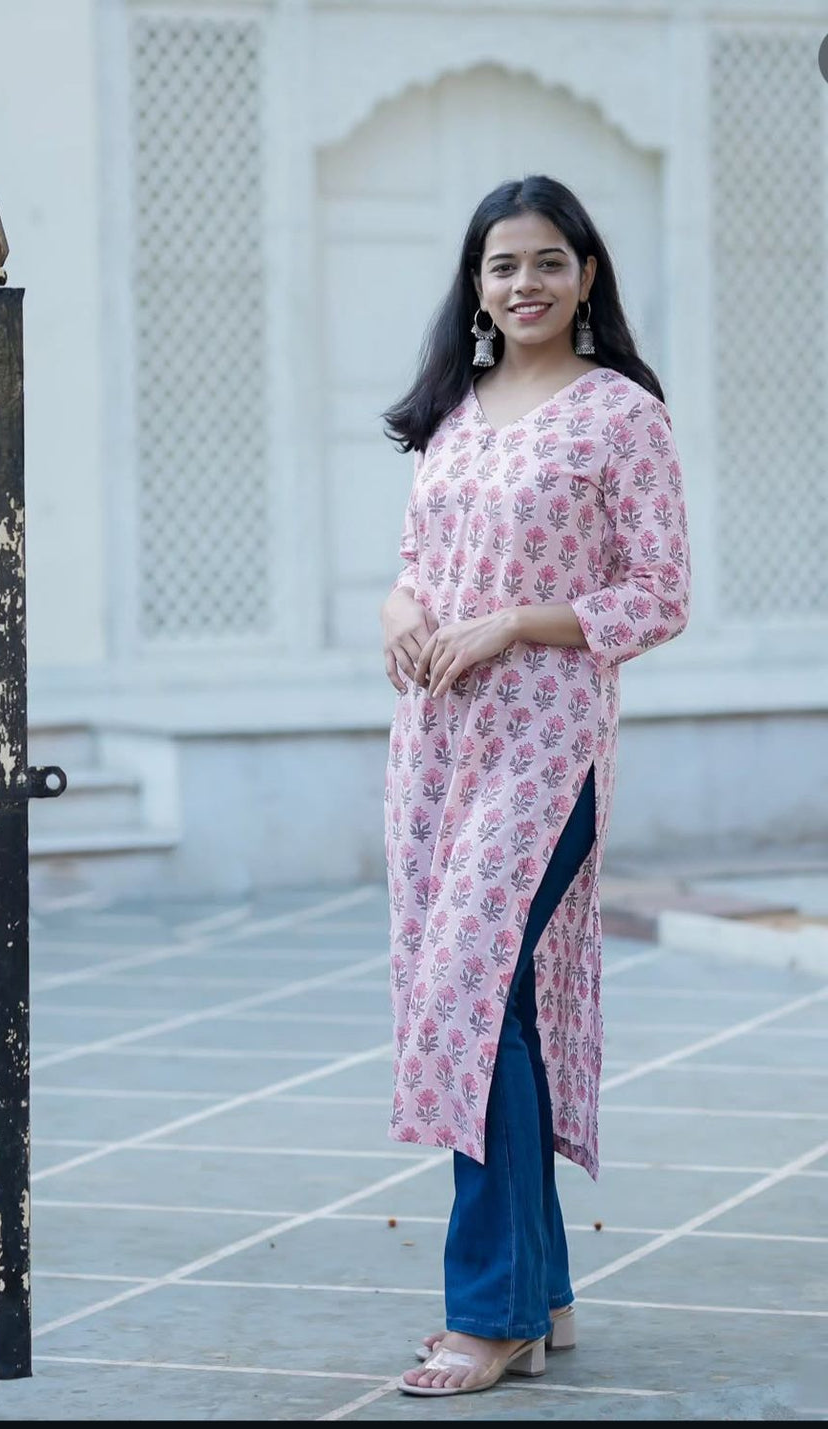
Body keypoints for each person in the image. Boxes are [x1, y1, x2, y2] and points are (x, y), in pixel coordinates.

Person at [379, 174, 691, 1398]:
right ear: (477, 282)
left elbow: (657, 595)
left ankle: (489, 1309)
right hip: (433, 747)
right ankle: (542, 1286)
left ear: (588, 275)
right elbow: (417, 558)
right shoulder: (454, 408)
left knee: (468, 992)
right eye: (502, 265)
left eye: (548, 262)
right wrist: (402, 606)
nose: (525, 284)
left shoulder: (620, 413)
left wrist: (515, 622)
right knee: (481, 1003)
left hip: (544, 748)